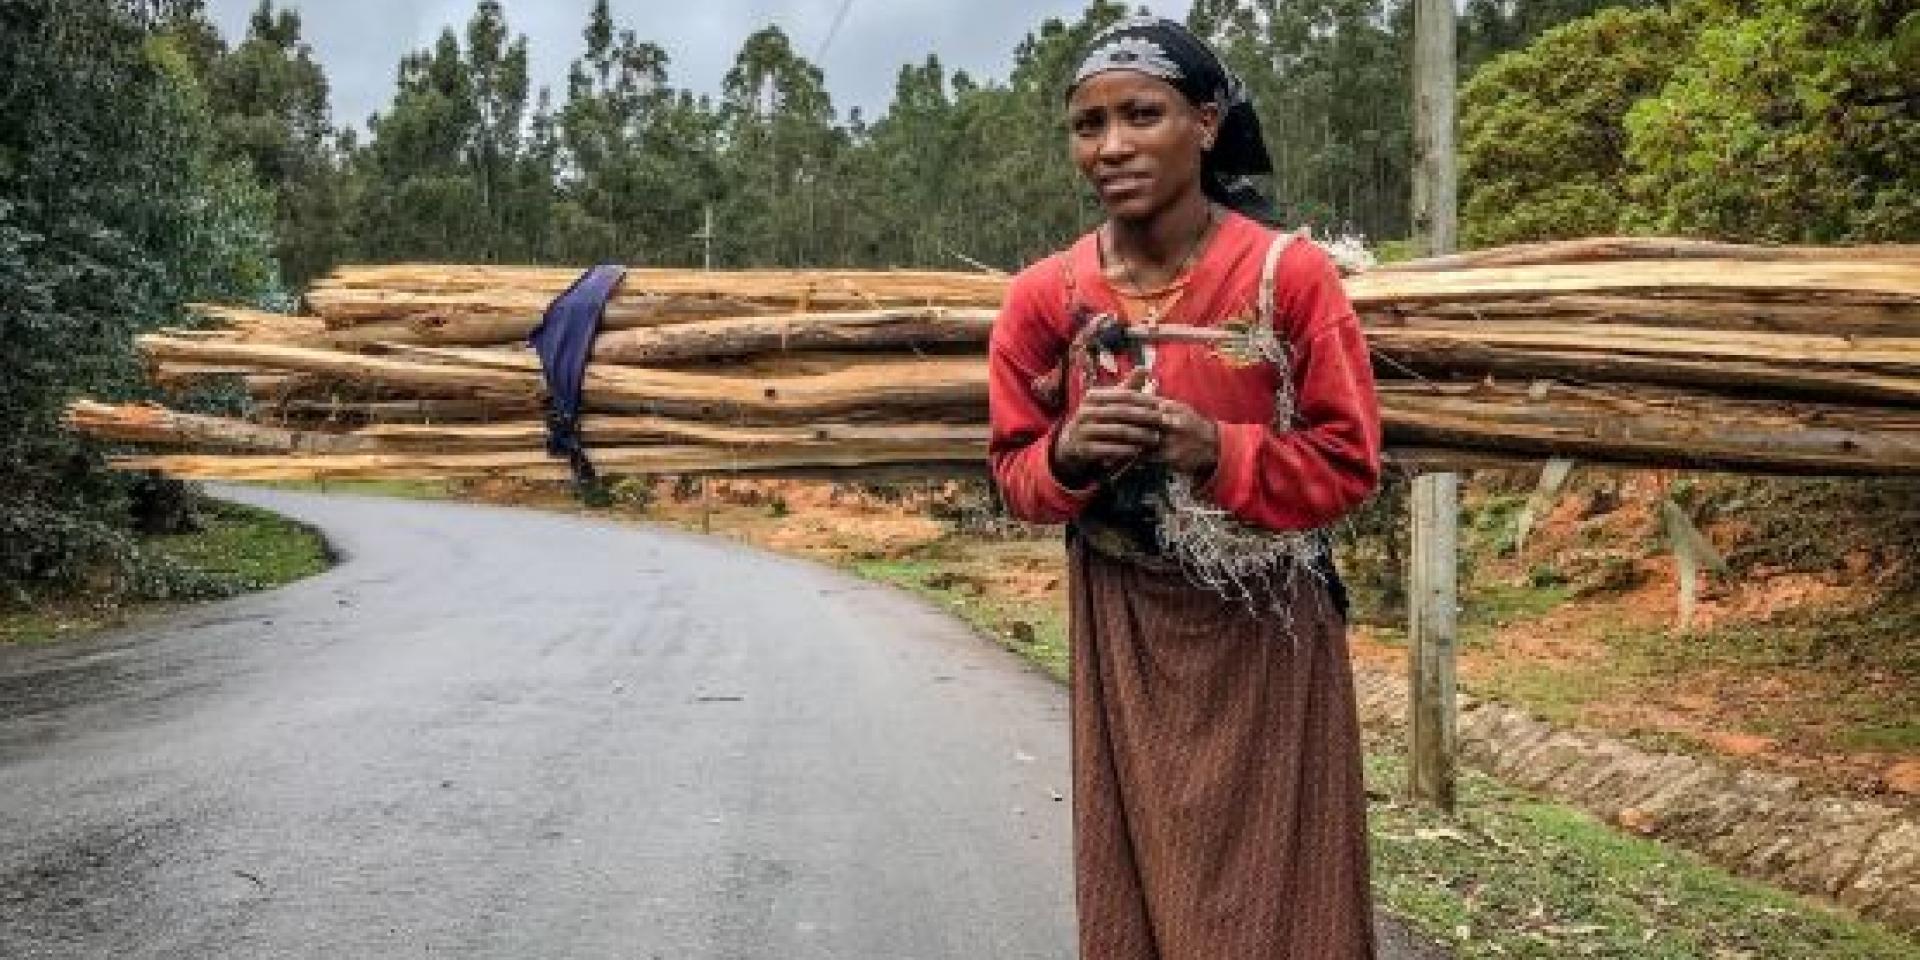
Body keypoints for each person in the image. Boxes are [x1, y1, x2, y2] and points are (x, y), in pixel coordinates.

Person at [985, 16, 1384, 960]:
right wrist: (1069, 458)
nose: (1112, 145)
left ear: (1205, 123)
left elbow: (1349, 464)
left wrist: (1219, 449)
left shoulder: (1290, 276)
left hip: (1267, 624)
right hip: (1122, 615)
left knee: (1289, 891)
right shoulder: (1047, 297)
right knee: (1141, 886)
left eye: (1143, 114)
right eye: (1089, 125)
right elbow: (1013, 475)